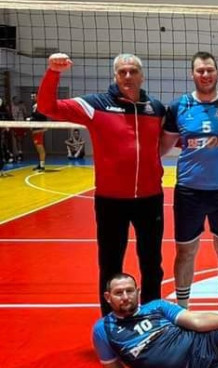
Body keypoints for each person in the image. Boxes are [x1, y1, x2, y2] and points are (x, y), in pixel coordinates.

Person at [38, 52, 166, 316]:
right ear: (115, 76)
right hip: (111, 201)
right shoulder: (96, 105)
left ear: (142, 76)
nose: (128, 76)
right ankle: (110, 320)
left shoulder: (155, 108)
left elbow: (168, 140)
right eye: (122, 72)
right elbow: (47, 107)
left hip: (150, 198)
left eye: (133, 71)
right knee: (110, 263)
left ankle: (154, 317)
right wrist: (53, 72)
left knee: (152, 262)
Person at [161, 52, 218, 315]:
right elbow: (161, 148)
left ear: (217, 73)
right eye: (200, 70)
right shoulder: (178, 107)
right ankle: (183, 309)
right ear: (192, 74)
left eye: (210, 70)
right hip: (189, 192)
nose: (205, 75)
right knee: (185, 252)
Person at [27, 93, 48, 171]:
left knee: (41, 149)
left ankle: (42, 166)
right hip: (35, 131)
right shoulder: (34, 107)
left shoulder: (41, 106)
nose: (32, 98)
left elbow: (43, 118)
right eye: (31, 96)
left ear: (38, 97)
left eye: (34, 96)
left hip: (38, 131)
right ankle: (40, 164)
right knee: (38, 150)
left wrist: (42, 129)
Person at [10, 96, 28, 162]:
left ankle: (20, 153)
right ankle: (14, 154)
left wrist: (25, 127)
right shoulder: (11, 107)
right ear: (13, 100)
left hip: (21, 124)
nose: (17, 101)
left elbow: (25, 115)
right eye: (15, 99)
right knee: (14, 139)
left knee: (20, 139)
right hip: (13, 124)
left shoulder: (21, 106)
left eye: (17, 99)